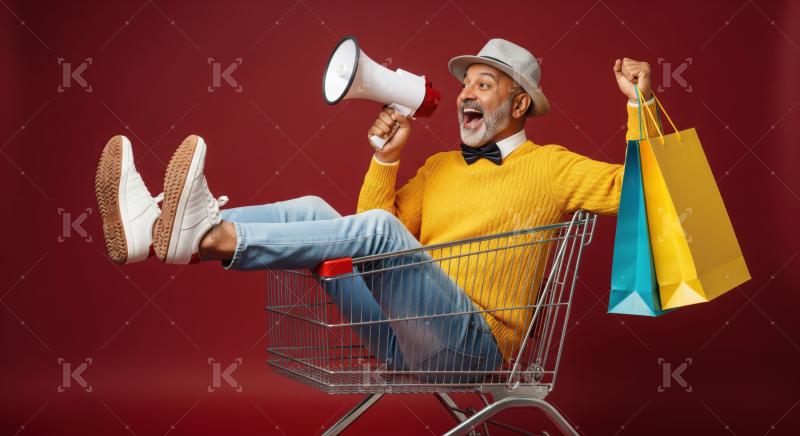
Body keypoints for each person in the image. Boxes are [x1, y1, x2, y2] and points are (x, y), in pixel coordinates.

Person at [95, 38, 661, 379]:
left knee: (381, 230)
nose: (464, 93)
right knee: (320, 212)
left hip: (473, 347)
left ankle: (208, 238)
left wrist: (642, 104)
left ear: (517, 103)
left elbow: (645, 194)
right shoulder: (440, 169)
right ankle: (160, 232)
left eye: (482, 85)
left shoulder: (554, 167)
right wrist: (387, 161)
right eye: (465, 84)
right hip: (403, 335)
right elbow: (358, 235)